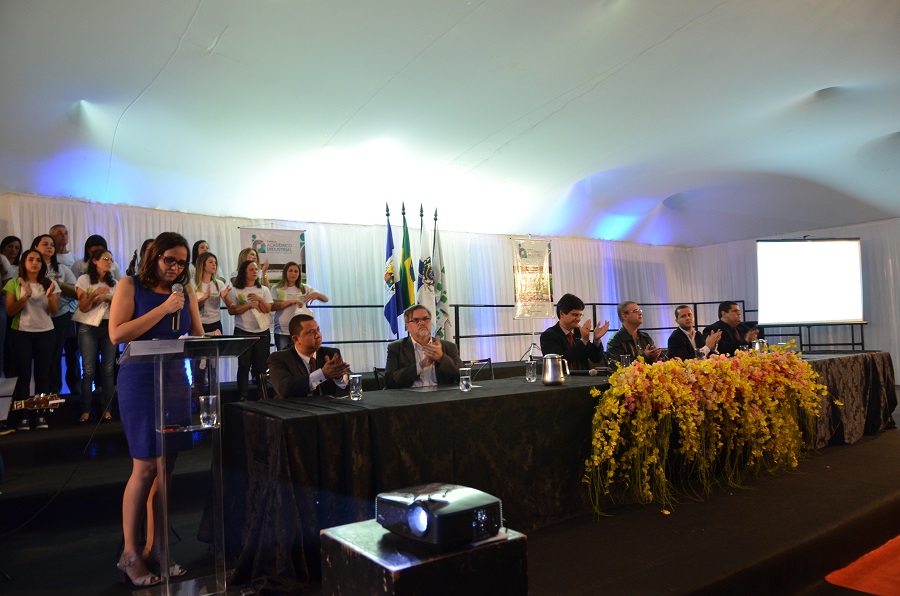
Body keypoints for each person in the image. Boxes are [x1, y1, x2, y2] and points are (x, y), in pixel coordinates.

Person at [108, 232, 203, 587]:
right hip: (139, 379)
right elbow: (117, 334)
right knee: (146, 467)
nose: (175, 267)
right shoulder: (130, 285)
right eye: (169, 260)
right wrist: (163, 309)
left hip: (175, 379)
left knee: (167, 469)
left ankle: (159, 549)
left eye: (182, 262)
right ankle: (130, 554)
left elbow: (197, 335)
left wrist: (207, 342)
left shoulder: (185, 292)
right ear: (155, 256)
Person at [4, 248, 60, 431]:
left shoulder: (50, 283)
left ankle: (40, 414)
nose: (35, 263)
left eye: (38, 260)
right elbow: (10, 311)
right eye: (31, 259)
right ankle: (23, 416)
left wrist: (50, 297)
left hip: (46, 332)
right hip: (21, 333)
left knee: (43, 375)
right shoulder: (14, 283)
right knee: (23, 376)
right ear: (24, 263)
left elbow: (54, 312)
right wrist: (26, 296)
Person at [74, 248, 117, 422]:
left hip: (109, 325)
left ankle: (107, 410)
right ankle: (85, 410)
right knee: (89, 370)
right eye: (105, 259)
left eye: (111, 259)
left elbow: (121, 307)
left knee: (108, 369)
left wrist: (110, 300)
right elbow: (83, 307)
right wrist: (95, 296)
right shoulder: (84, 279)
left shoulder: (115, 283)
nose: (109, 262)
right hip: (88, 326)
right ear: (95, 261)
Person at [32, 234, 78, 395]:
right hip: (35, 317)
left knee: (55, 355)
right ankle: (39, 394)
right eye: (45, 244)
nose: (49, 247)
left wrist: (59, 284)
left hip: (60, 316)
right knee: (39, 356)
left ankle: (54, 393)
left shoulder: (62, 269)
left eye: (52, 245)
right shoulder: (30, 267)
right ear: (35, 247)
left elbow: (77, 292)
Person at [268, 314, 350, 398]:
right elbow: (284, 389)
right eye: (311, 333)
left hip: (327, 405)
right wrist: (322, 374)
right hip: (295, 405)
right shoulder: (279, 358)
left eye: (318, 330)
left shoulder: (330, 354)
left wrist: (339, 377)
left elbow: (349, 384)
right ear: (296, 339)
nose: (318, 335)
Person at [384, 304, 464, 389]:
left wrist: (441, 357)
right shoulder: (396, 348)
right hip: (410, 395)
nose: (422, 323)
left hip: (441, 395)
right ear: (407, 326)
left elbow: (463, 375)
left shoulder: (449, 347)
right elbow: (389, 381)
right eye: (416, 320)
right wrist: (420, 365)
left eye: (426, 319)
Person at [227, 259, 273, 401]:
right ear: (244, 273)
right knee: (243, 364)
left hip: (262, 332)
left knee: (261, 365)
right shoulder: (235, 290)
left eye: (256, 270)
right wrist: (249, 305)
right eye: (251, 270)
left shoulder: (263, 290)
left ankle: (262, 395)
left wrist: (260, 300)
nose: (254, 272)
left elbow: (267, 309)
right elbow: (232, 310)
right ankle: (243, 396)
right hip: (243, 331)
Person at [539, 293, 609, 370]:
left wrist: (596, 340)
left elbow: (596, 359)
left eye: (580, 315)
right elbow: (559, 363)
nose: (579, 319)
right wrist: (583, 340)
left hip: (584, 376)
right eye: (575, 315)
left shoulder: (578, 332)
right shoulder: (549, 335)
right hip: (564, 377)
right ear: (562, 314)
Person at [50, 224, 81, 395]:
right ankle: (54, 391)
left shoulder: (74, 259)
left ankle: (75, 390)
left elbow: (77, 288)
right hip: (52, 312)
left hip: (72, 312)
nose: (63, 236)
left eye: (65, 233)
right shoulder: (49, 260)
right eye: (59, 233)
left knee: (73, 352)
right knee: (54, 353)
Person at [271, 261, 328, 350]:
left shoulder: (305, 288)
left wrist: (317, 295)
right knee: (283, 356)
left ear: (299, 274)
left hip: (301, 332)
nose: (293, 273)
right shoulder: (276, 288)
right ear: (285, 272)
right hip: (282, 331)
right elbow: (272, 307)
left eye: (296, 271)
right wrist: (291, 301)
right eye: (290, 271)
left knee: (300, 357)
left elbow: (325, 299)